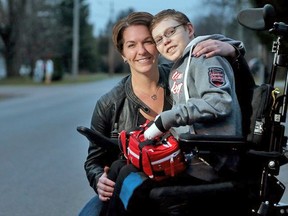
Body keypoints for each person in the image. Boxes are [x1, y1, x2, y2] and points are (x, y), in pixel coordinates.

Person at [79, 11, 247, 216]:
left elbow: (230, 92)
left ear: (157, 48)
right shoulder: (109, 104)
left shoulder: (181, 76)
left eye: (148, 42)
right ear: (123, 54)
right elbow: (93, 161)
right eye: (131, 45)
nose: (142, 51)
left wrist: (233, 51)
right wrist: (99, 179)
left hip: (178, 173)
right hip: (132, 180)